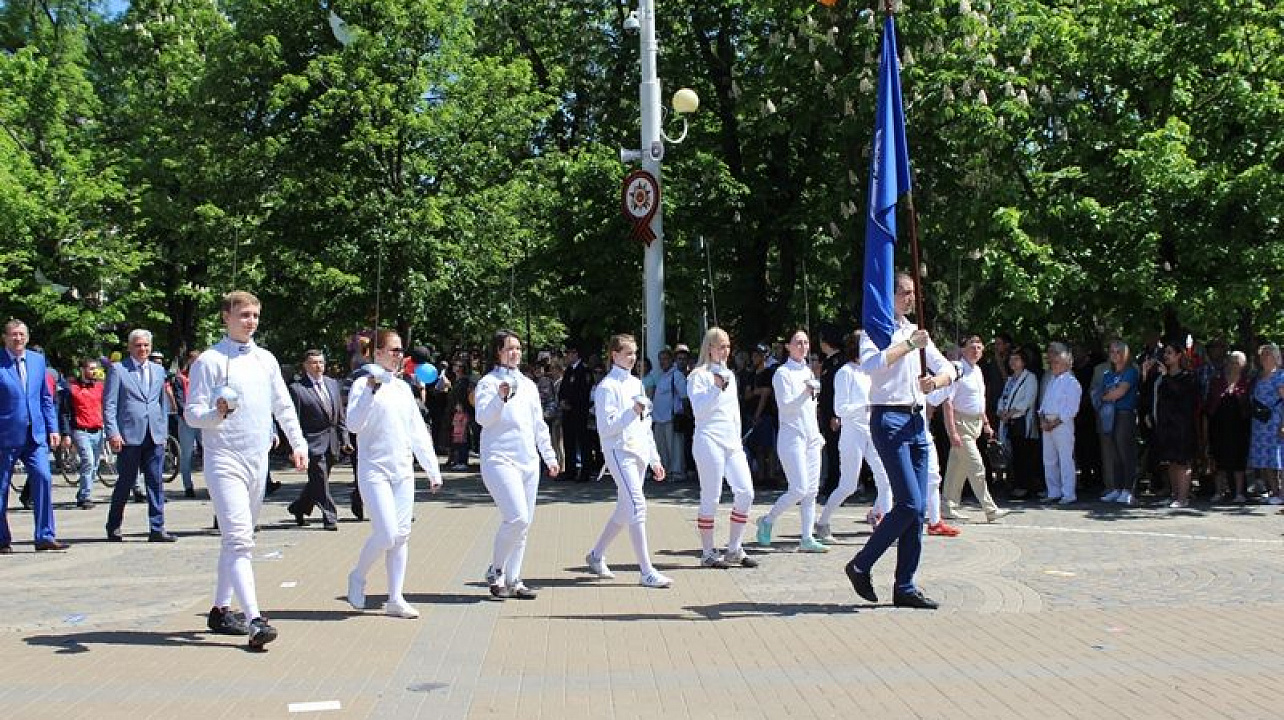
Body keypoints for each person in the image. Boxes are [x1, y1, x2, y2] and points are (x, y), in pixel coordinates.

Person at [185, 291, 309, 649]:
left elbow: (282, 405)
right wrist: (217, 413)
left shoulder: (265, 360)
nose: (250, 321)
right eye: (243, 315)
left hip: (258, 460)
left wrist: (297, 444)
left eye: (255, 315)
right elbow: (193, 413)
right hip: (224, 459)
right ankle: (255, 619)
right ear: (226, 317)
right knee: (240, 539)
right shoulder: (209, 361)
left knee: (238, 539)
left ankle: (221, 610)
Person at [843, 273, 955, 609]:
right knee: (907, 502)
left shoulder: (914, 331)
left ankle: (905, 584)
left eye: (912, 293)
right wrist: (908, 346)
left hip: (916, 419)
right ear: (888, 295)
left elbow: (950, 368)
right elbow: (871, 364)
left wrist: (935, 383)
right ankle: (861, 563)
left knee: (918, 509)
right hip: (888, 418)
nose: (910, 298)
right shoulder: (875, 331)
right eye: (904, 293)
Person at [344, 331, 443, 619]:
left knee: (401, 536)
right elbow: (353, 424)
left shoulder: (402, 389)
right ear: (376, 353)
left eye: (401, 350)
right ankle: (358, 576)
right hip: (374, 469)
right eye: (393, 350)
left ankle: (395, 597)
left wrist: (432, 469)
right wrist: (371, 391)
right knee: (386, 533)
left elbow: (417, 432)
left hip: (402, 471)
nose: (399, 355)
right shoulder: (363, 384)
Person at [475, 330, 560, 599]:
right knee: (517, 517)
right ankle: (496, 570)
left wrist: (549, 455)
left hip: (528, 461)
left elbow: (538, 424)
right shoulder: (489, 383)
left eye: (518, 348)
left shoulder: (528, 384)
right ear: (498, 351)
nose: (515, 353)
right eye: (509, 348)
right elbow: (483, 419)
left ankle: (514, 579)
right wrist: (500, 398)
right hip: (499, 459)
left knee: (524, 524)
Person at [584, 334, 672, 588]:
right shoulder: (606, 387)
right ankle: (646, 571)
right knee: (637, 505)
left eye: (634, 353)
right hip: (618, 452)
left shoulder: (638, 384)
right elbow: (607, 428)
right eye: (627, 353)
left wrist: (654, 459)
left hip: (639, 453)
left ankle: (596, 555)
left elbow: (646, 426)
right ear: (614, 354)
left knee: (625, 509)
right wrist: (631, 412)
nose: (632, 358)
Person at [687, 328, 758, 569]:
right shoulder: (698, 375)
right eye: (720, 346)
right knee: (712, 495)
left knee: (746, 492)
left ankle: (734, 548)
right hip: (708, 439)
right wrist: (716, 387)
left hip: (731, 442)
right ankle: (707, 552)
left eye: (728, 346)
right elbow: (699, 410)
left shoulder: (729, 373)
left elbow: (734, 412)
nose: (725, 351)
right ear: (709, 348)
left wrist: (738, 439)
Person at [755, 330, 828, 552]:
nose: (803, 346)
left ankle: (806, 537)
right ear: (788, 346)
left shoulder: (808, 371)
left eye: (806, 342)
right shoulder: (782, 374)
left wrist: (817, 434)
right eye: (798, 342)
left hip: (811, 438)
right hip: (791, 437)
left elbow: (810, 409)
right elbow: (786, 406)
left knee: (812, 490)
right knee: (798, 488)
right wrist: (807, 392)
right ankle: (767, 520)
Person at [816, 331, 892, 541]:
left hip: (872, 432)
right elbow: (840, 408)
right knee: (848, 484)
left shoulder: (870, 372)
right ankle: (822, 522)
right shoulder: (845, 372)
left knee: (885, 478)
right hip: (852, 433)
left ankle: (884, 523)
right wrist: (866, 406)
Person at [0, 319, 67, 553]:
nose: (18, 338)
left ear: (27, 337)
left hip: (35, 434)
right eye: (13, 335)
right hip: (5, 434)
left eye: (21, 334)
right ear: (5, 338)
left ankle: (45, 535)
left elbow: (45, 399)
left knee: (43, 477)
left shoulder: (37, 361)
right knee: (1, 487)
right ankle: (1, 538)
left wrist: (53, 428)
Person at [103, 329, 176, 543]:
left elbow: (161, 403)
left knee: (156, 482)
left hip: (154, 435)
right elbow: (109, 404)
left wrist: (163, 432)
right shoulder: (118, 370)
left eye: (146, 345)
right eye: (138, 345)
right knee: (125, 483)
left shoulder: (158, 370)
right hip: (128, 435)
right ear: (130, 347)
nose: (142, 349)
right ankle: (114, 525)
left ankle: (157, 528)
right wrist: (113, 432)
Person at [940, 334, 1009, 523]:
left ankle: (947, 505)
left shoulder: (977, 370)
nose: (976, 350)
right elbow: (948, 402)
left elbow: (979, 401)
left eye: (979, 346)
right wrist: (952, 431)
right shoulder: (957, 369)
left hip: (975, 423)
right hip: (961, 423)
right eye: (972, 346)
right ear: (962, 349)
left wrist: (986, 422)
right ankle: (990, 509)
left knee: (958, 467)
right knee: (976, 466)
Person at [287, 350, 350, 531]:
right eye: (314, 363)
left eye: (321, 362)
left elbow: (339, 414)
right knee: (320, 478)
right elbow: (294, 420)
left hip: (332, 441)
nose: (318, 366)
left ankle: (299, 507)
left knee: (317, 480)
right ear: (305, 365)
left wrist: (344, 438)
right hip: (311, 443)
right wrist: (294, 446)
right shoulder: (297, 389)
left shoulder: (332, 384)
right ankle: (330, 516)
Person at [1142, 340, 1201, 508]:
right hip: (1166, 425)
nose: (1165, 356)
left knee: (1182, 462)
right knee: (1171, 462)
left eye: (1169, 353)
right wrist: (1146, 375)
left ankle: (1183, 498)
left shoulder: (1187, 377)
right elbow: (1151, 397)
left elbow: (1181, 396)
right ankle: (1174, 494)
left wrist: (1166, 376)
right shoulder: (1162, 378)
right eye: (1165, 353)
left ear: (1179, 355)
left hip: (1182, 426)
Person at [1097, 341, 1140, 505]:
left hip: (1124, 414)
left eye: (1118, 352)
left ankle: (1128, 489)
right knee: (1113, 452)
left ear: (1125, 354)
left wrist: (1109, 395)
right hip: (1109, 415)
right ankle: (1116, 488)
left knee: (1125, 452)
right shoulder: (1108, 374)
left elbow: (1119, 392)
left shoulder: (1130, 372)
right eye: (1112, 352)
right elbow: (1103, 392)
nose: (1114, 355)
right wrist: (1108, 394)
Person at [1038, 342, 1082, 505]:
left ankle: (1068, 493)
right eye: (1052, 362)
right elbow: (1044, 404)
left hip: (1062, 424)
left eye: (1057, 363)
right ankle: (1053, 490)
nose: (1053, 365)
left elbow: (1072, 409)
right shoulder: (1052, 381)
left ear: (1066, 364)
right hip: (1047, 422)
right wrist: (1042, 419)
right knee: (1049, 459)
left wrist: (1054, 423)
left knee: (1065, 459)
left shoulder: (1071, 382)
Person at [1204, 351, 1250, 503]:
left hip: (1239, 426)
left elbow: (1248, 405)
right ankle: (1219, 491)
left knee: (1238, 460)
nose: (1233, 364)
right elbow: (1209, 403)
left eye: (1237, 362)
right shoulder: (1217, 380)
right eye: (1230, 361)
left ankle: (1239, 493)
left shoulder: (1247, 381)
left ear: (1243, 365)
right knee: (1218, 457)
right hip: (1219, 424)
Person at [60, 357, 106, 509]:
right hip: (80, 430)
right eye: (91, 368)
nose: (94, 372)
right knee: (88, 461)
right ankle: (86, 496)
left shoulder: (100, 387)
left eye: (96, 369)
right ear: (83, 370)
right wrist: (66, 434)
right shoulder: (71, 388)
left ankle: (82, 492)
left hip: (98, 430)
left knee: (94, 465)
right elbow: (65, 412)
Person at [997, 347, 1040, 499]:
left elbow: (1028, 400)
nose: (1013, 363)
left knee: (1024, 454)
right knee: (1013, 454)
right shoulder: (1010, 380)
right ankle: (1015, 484)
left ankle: (1025, 486)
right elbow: (1003, 397)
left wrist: (1012, 412)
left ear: (1023, 362)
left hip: (1022, 421)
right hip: (1009, 422)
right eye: (1011, 360)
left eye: (1016, 359)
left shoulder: (1030, 378)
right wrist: (1001, 411)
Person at [1247, 343, 1284, 506]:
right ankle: (1274, 491)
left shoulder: (1280, 376)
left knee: (1279, 459)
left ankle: (1282, 493)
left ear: (1276, 357)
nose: (1264, 357)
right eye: (1262, 354)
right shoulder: (1259, 376)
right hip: (1260, 423)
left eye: (1268, 354)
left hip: (1275, 422)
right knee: (1266, 460)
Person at [650, 348, 688, 481]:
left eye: (665, 359)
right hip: (659, 418)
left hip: (672, 418)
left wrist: (684, 414)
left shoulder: (676, 375)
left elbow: (684, 397)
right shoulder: (662, 376)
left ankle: (677, 472)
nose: (662, 362)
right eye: (660, 359)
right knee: (662, 447)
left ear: (671, 360)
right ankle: (666, 472)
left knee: (675, 447)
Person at [558, 346, 593, 481]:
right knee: (569, 441)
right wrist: (562, 401)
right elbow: (563, 389)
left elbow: (584, 392)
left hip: (579, 412)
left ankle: (585, 472)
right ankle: (570, 470)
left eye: (569, 353)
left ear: (576, 354)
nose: (567, 356)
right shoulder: (569, 370)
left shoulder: (584, 370)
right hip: (568, 413)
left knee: (583, 442)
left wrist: (571, 404)